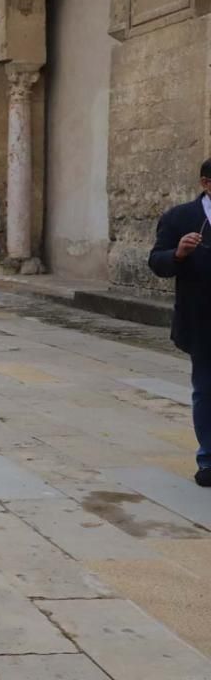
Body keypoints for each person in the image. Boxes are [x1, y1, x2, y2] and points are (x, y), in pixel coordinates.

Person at [148, 159, 211, 488]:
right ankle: (208, 460)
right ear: (206, 183)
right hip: (202, 320)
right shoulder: (180, 217)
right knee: (206, 390)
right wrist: (179, 253)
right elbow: (156, 261)